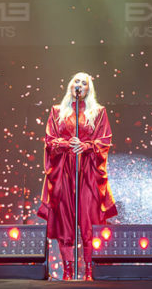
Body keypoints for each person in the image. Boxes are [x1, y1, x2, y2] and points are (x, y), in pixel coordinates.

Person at [37, 73, 117, 281]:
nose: (79, 84)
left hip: (88, 171)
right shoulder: (57, 111)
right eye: (76, 81)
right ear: (70, 85)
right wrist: (66, 144)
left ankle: (89, 271)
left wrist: (87, 146)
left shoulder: (98, 112)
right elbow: (49, 140)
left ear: (89, 89)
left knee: (90, 220)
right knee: (65, 220)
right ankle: (68, 271)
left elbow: (105, 139)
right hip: (63, 171)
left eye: (84, 82)